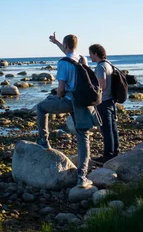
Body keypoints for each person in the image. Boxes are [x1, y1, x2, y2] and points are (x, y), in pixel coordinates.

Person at [33, 32, 100, 188]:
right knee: (83, 137)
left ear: (66, 44)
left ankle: (44, 140)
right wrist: (56, 42)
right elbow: (68, 53)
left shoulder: (63, 63)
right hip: (83, 102)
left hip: (69, 101)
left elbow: (62, 90)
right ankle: (82, 176)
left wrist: (56, 94)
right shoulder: (82, 59)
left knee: (41, 107)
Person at [89, 44, 120, 163]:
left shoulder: (100, 67)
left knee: (106, 130)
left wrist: (91, 88)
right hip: (111, 100)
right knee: (112, 128)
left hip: (104, 101)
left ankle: (108, 156)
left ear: (95, 54)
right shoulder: (109, 64)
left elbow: (102, 85)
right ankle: (115, 152)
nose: (90, 56)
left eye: (91, 53)